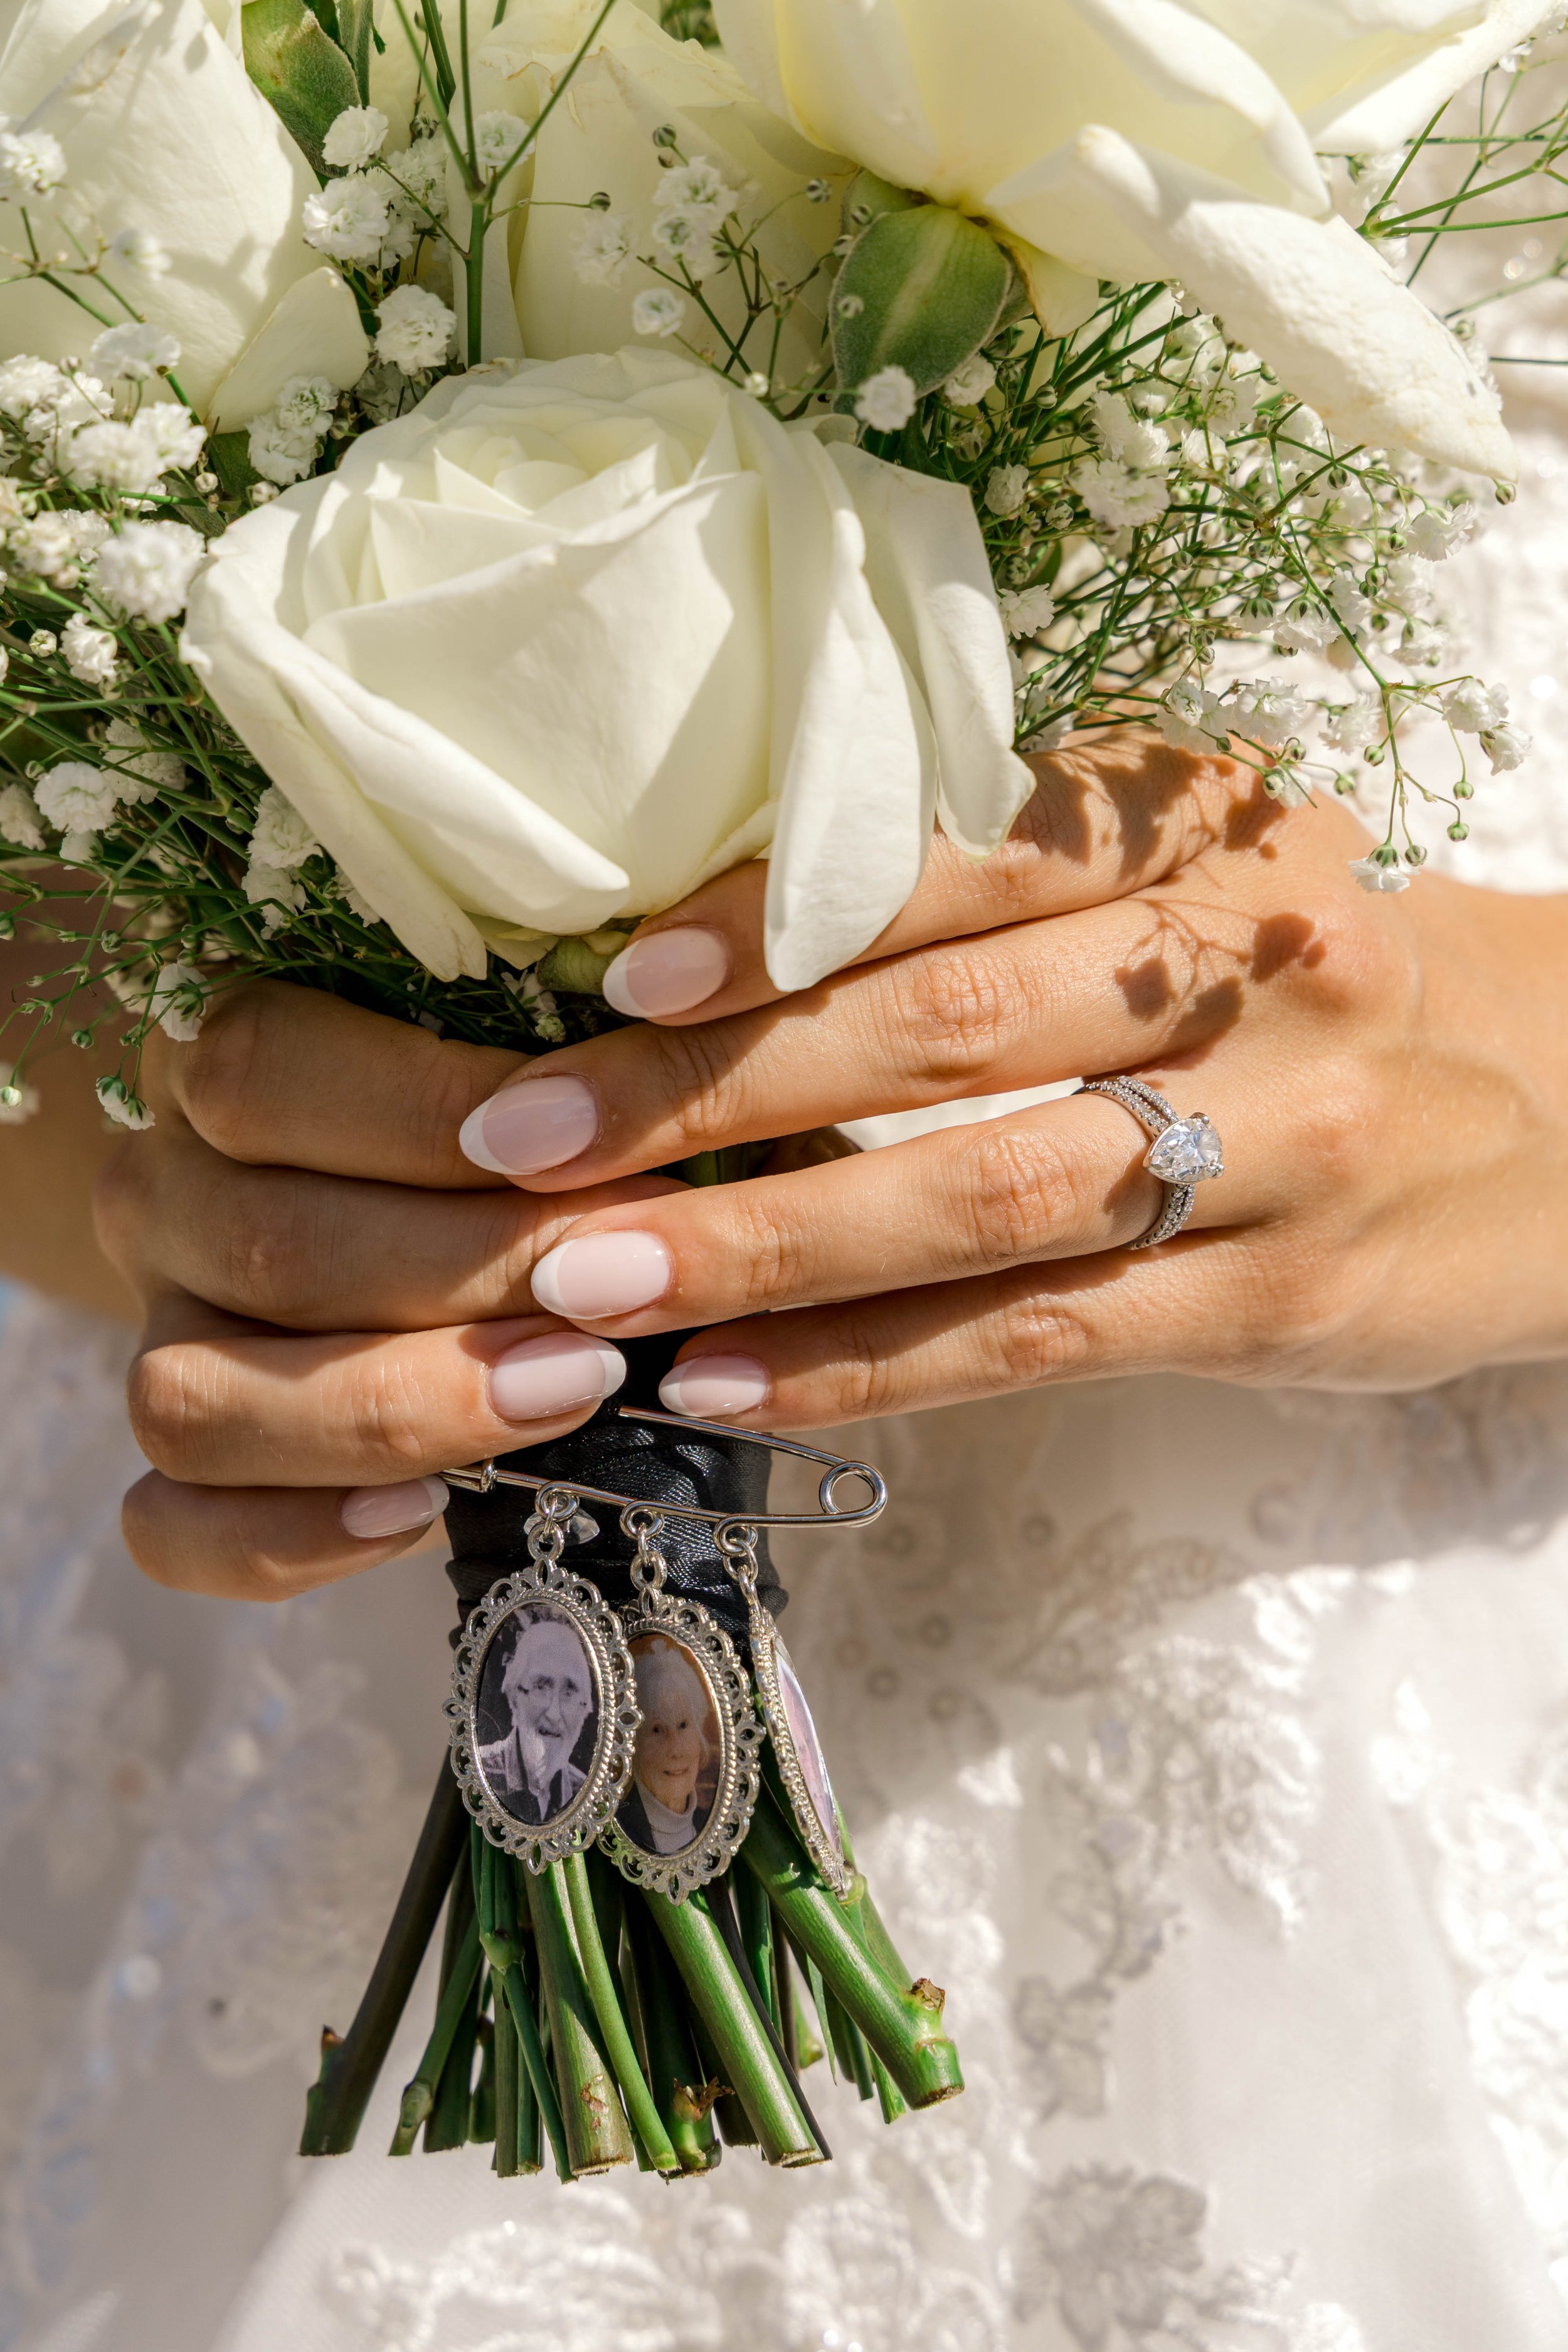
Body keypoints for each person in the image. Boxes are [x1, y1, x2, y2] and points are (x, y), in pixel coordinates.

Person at [8, 406, 1568, 2352]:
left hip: (1419, 1605)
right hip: (319, 1680)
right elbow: (49, 977)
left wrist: (1526, 1071)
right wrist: (228, 1195)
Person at [477, 1613, 593, 1824]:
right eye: (541, 1687)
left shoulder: (586, 1791)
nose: (554, 1715)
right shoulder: (482, 1772)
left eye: (569, 1693)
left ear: (585, 1709)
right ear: (514, 1698)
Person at [619, 1636, 716, 1854]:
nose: (675, 1750)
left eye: (683, 1725)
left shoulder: (709, 1825)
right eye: (656, 1730)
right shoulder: (621, 1827)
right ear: (634, 1744)